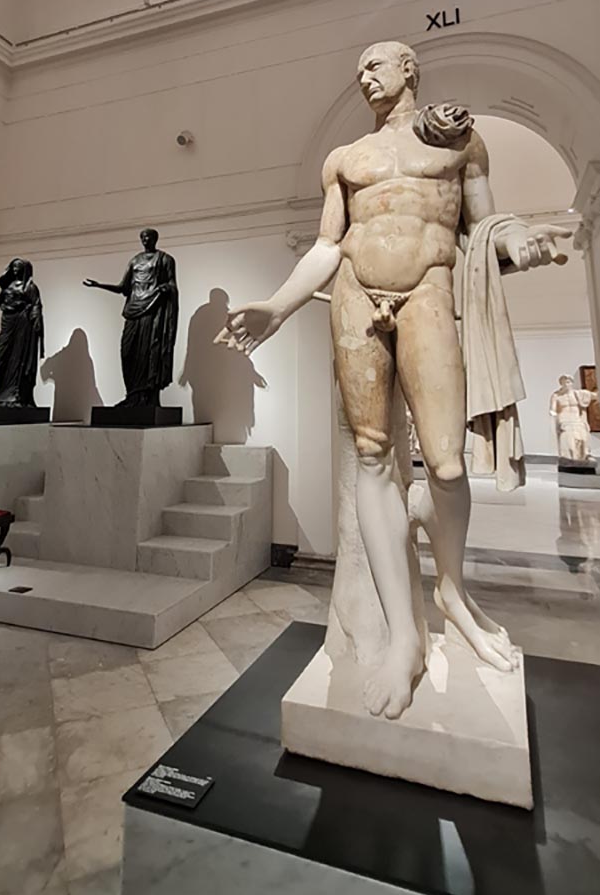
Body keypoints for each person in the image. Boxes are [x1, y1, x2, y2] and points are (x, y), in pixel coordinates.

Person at [216, 41, 572, 719]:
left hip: (429, 290)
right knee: (373, 457)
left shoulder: (459, 143)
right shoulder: (344, 159)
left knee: (445, 463)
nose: (364, 77)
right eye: (357, 71)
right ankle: (404, 637)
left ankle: (451, 591)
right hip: (355, 295)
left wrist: (517, 239)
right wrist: (277, 307)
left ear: (408, 69)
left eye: (374, 66)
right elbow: (327, 246)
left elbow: (484, 224)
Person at [84, 228, 178, 407]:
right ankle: (132, 396)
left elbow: (172, 283)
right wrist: (99, 285)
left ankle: (146, 398)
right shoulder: (135, 261)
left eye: (148, 237)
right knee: (127, 352)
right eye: (143, 237)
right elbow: (123, 288)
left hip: (151, 311)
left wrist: (166, 288)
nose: (145, 240)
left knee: (148, 352)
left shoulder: (165, 259)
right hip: (133, 310)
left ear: (155, 239)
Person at [0, 258, 44, 407]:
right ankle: (0, 396)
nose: (15, 269)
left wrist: (36, 321)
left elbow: (36, 304)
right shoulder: (8, 286)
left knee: (19, 360)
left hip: (22, 324)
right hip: (8, 324)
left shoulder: (30, 287)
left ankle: (16, 396)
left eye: (18, 267)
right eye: (14, 266)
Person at [550, 374, 597, 461]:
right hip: (564, 419)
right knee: (569, 438)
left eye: (568, 382)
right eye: (564, 383)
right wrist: (553, 413)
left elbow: (595, 395)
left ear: (571, 383)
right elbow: (553, 408)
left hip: (577, 419)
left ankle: (585, 455)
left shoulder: (578, 394)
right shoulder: (556, 395)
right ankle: (569, 457)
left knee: (583, 436)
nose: (566, 384)